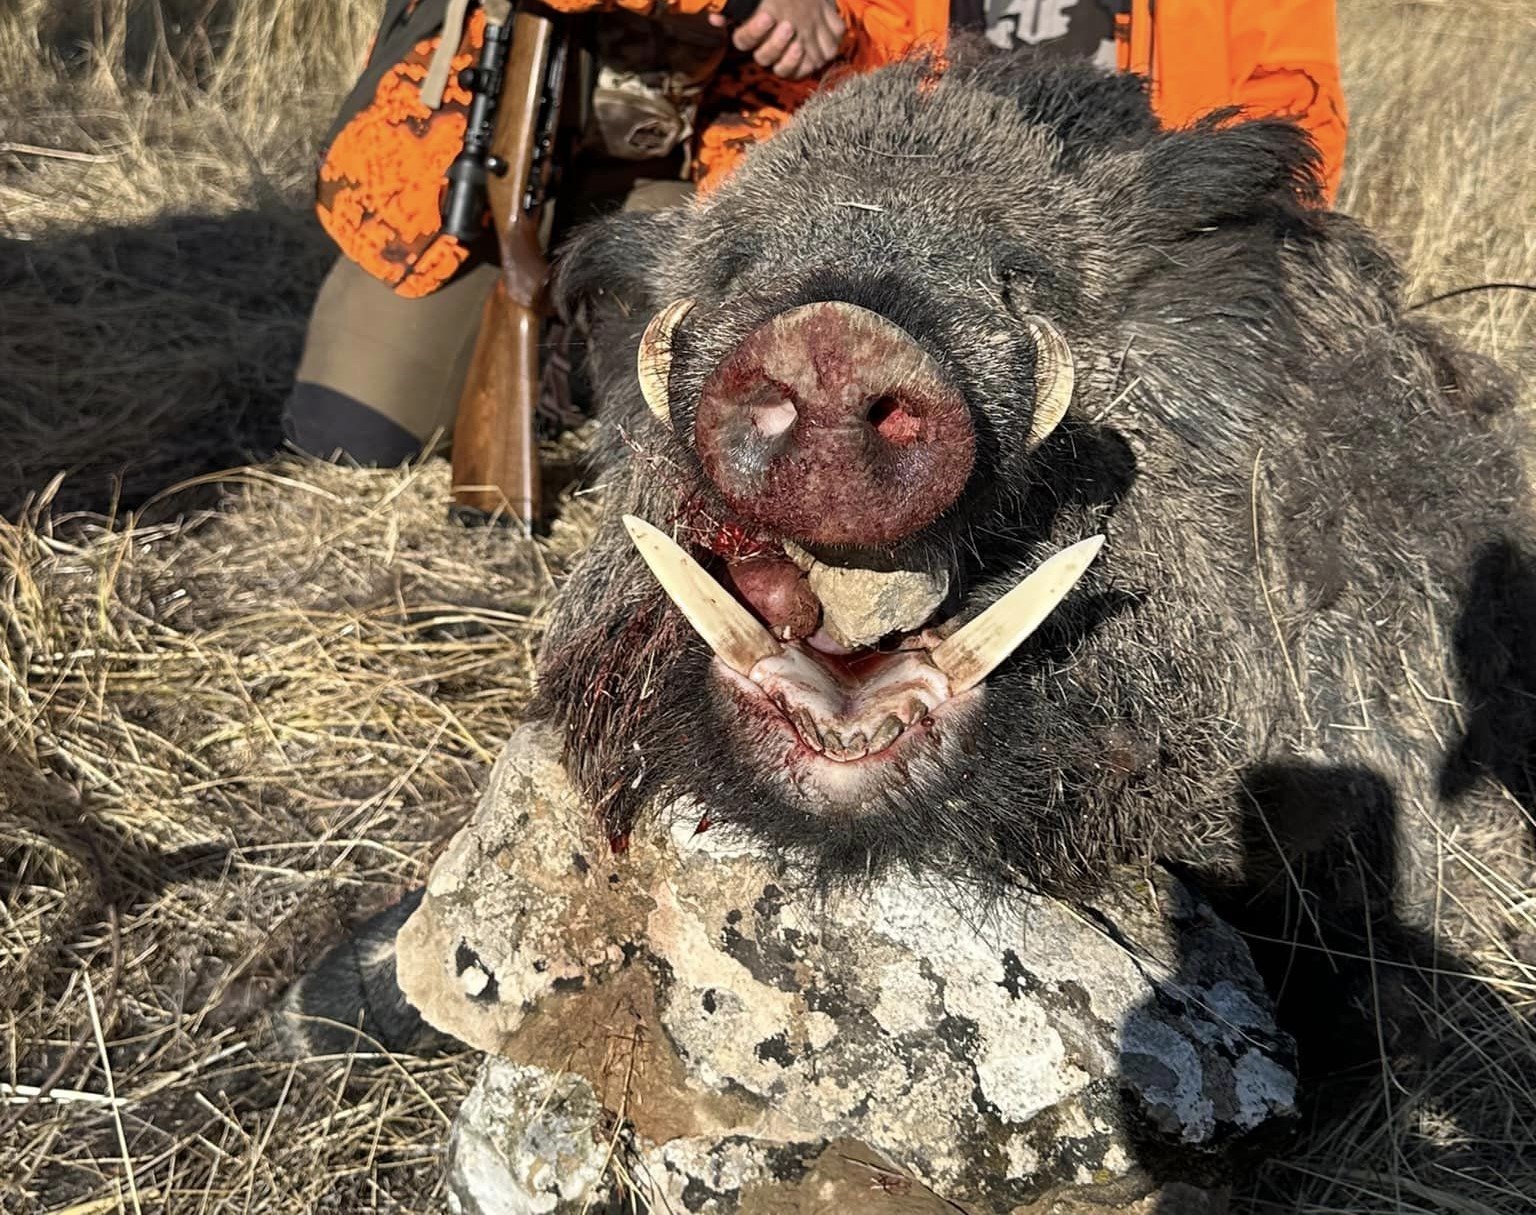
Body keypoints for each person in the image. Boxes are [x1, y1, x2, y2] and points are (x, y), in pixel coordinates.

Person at [282, 0, 1346, 466]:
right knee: (351, 436)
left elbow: (1288, 116)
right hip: (489, 163)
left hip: (1088, 233)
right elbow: (855, 90)